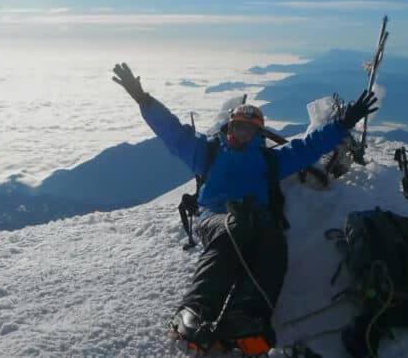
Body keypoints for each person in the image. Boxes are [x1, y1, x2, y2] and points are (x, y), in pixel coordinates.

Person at [112, 62, 378, 355]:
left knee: (273, 243)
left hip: (257, 220)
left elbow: (308, 148)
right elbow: (172, 132)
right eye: (238, 127)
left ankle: (247, 318)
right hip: (216, 218)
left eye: (249, 130)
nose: (242, 133)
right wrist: (143, 99)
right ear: (229, 128)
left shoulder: (268, 161)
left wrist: (344, 122)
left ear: (258, 134)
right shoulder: (208, 152)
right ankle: (195, 311)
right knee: (232, 230)